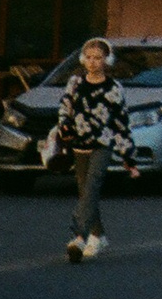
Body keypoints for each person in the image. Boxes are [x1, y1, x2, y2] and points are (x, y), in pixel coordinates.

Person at [53, 37, 137, 261]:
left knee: (92, 187)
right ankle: (98, 235)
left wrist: (128, 156)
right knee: (85, 192)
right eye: (89, 57)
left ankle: (79, 238)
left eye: (98, 58)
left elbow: (121, 123)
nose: (92, 62)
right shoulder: (75, 83)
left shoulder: (113, 88)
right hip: (79, 143)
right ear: (83, 59)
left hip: (102, 144)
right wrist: (64, 126)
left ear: (107, 61)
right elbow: (65, 107)